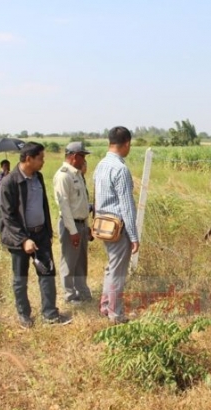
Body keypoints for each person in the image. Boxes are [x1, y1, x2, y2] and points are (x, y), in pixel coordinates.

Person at [0, 142, 71, 329]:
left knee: (47, 274)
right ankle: (24, 315)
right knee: (20, 278)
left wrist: (46, 231)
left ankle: (50, 314)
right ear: (28, 159)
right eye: (40, 158)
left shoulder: (38, 177)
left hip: (40, 235)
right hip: (19, 239)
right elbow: (7, 216)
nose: (43, 162)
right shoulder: (10, 182)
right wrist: (23, 240)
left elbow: (43, 206)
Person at [93, 126, 139, 324]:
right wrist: (134, 236)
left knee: (111, 268)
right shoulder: (120, 169)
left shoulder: (101, 165)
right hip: (118, 227)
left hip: (103, 225)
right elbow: (126, 206)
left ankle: (105, 306)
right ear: (127, 143)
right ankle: (116, 314)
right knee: (118, 272)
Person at [53, 141, 93, 304]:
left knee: (81, 262)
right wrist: (72, 231)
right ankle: (69, 295)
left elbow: (81, 204)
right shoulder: (64, 175)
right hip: (71, 225)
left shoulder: (77, 174)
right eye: (82, 156)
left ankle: (82, 291)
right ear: (74, 156)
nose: (84, 160)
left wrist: (87, 226)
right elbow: (65, 207)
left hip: (81, 224)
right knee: (69, 262)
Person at [0, 159, 11, 233]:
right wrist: (5, 177)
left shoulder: (10, 174)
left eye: (8, 166)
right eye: (5, 166)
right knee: (0, 215)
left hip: (7, 198)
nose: (7, 167)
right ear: (2, 166)